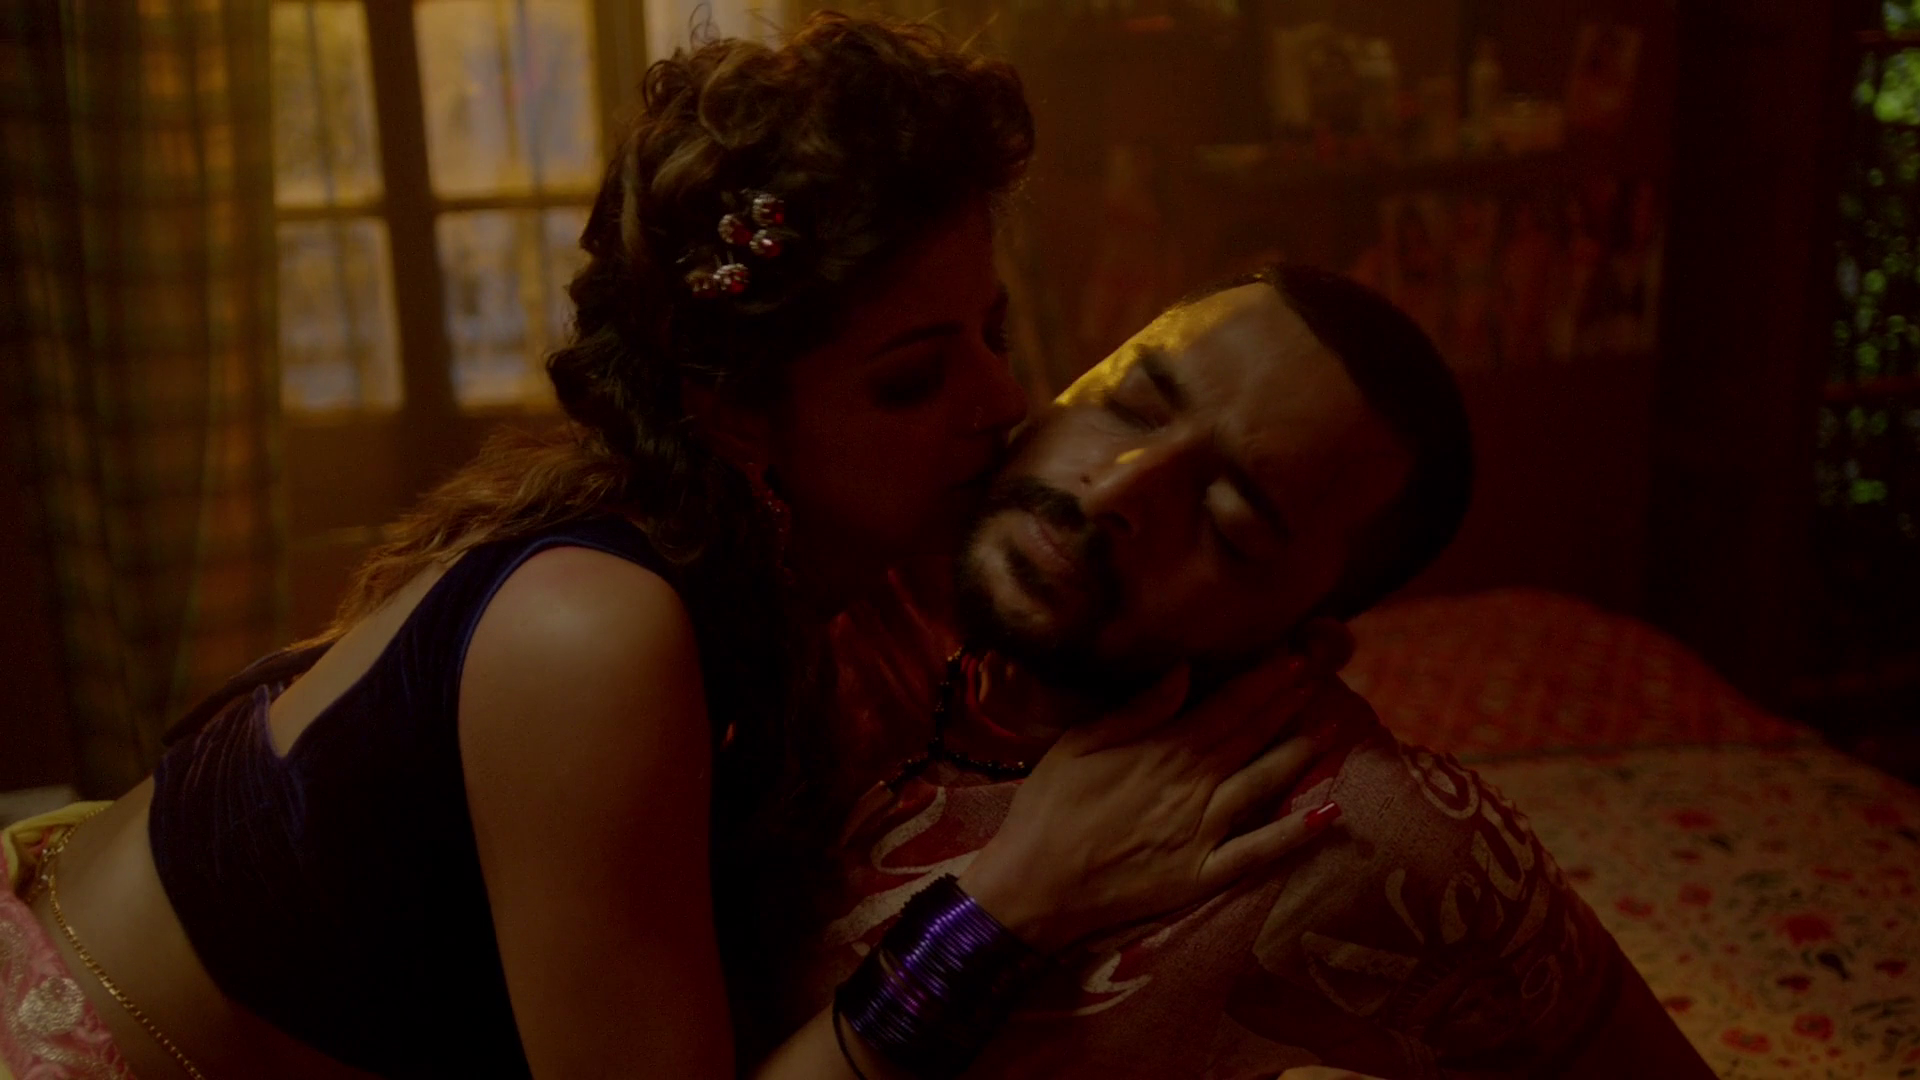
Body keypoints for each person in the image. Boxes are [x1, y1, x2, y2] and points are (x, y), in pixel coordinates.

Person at [0, 18, 1349, 1080]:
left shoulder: (809, 570)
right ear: (734, 408)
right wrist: (1011, 903)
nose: (1001, 403)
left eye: (994, 333)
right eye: (911, 378)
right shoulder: (597, 628)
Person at [793, 265, 1718, 1077]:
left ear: (1302, 646)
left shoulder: (1346, 831)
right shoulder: (854, 566)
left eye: (1231, 523)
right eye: (1131, 406)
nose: (1112, 489)